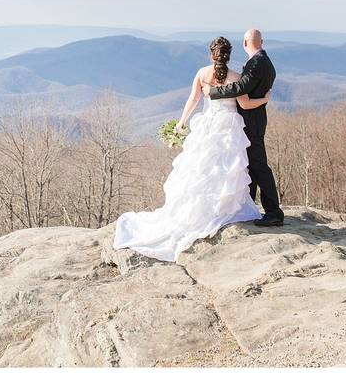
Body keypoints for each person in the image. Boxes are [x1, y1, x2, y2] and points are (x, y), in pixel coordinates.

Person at [112, 36, 270, 262]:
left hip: (208, 123)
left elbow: (193, 99)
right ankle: (224, 209)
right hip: (228, 127)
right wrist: (264, 99)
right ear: (229, 54)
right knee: (227, 167)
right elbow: (245, 104)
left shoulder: (202, 73)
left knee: (201, 169)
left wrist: (181, 122)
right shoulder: (236, 76)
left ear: (211, 54)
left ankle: (201, 211)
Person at [208, 28, 284, 226]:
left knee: (258, 166)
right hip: (255, 119)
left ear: (244, 43)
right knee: (249, 165)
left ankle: (274, 212)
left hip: (252, 121)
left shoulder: (257, 62)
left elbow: (241, 88)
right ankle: (248, 208)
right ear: (262, 41)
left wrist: (214, 91)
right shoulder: (264, 61)